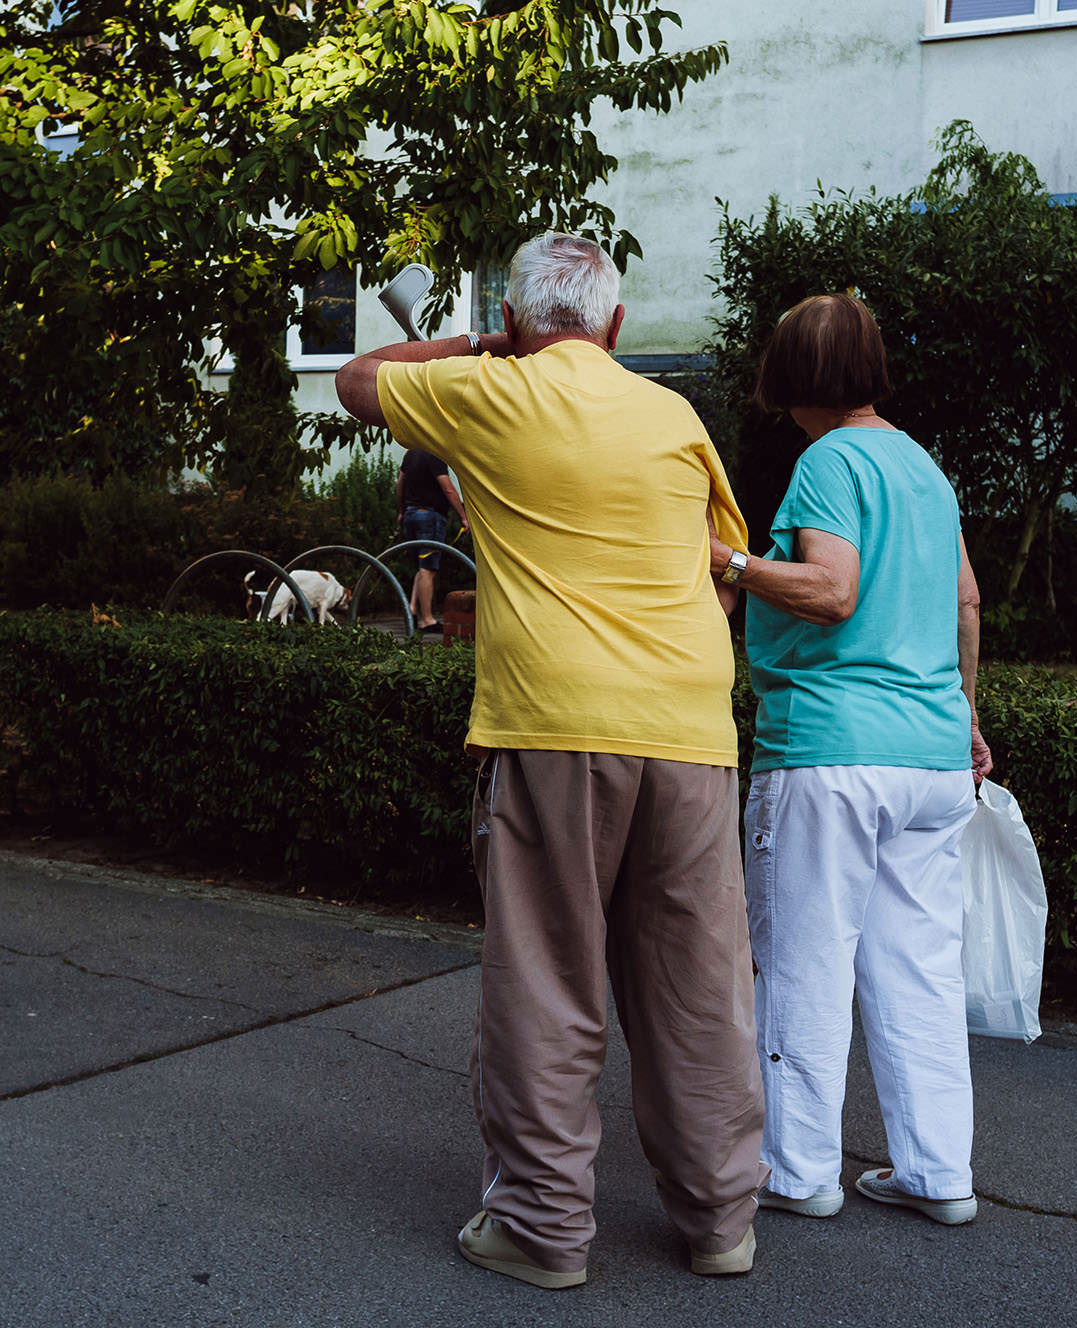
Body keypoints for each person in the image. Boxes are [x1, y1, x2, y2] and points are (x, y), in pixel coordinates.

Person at [336, 232, 765, 1285]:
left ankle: (539, 1228)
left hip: (554, 726)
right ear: (615, 325)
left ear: (524, 322)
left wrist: (486, 343)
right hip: (689, 730)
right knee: (696, 983)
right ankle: (718, 1221)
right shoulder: (673, 417)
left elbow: (355, 380)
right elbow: (718, 579)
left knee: (547, 976)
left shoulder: (492, 394)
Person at [706, 292, 993, 1228]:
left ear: (792, 378)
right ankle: (938, 1173)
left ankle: (798, 1174)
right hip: (933, 755)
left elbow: (831, 591)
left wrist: (734, 563)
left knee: (803, 960)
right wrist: (968, 718)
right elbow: (967, 603)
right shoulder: (923, 467)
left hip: (831, 752)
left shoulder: (827, 461)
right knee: (920, 969)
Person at [396, 449, 466, 632]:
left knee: (421, 566)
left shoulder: (410, 455)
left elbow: (400, 484)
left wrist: (403, 511)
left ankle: (412, 608)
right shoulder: (434, 454)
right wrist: (463, 516)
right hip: (430, 517)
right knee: (428, 569)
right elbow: (449, 489)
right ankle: (426, 620)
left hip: (411, 514)